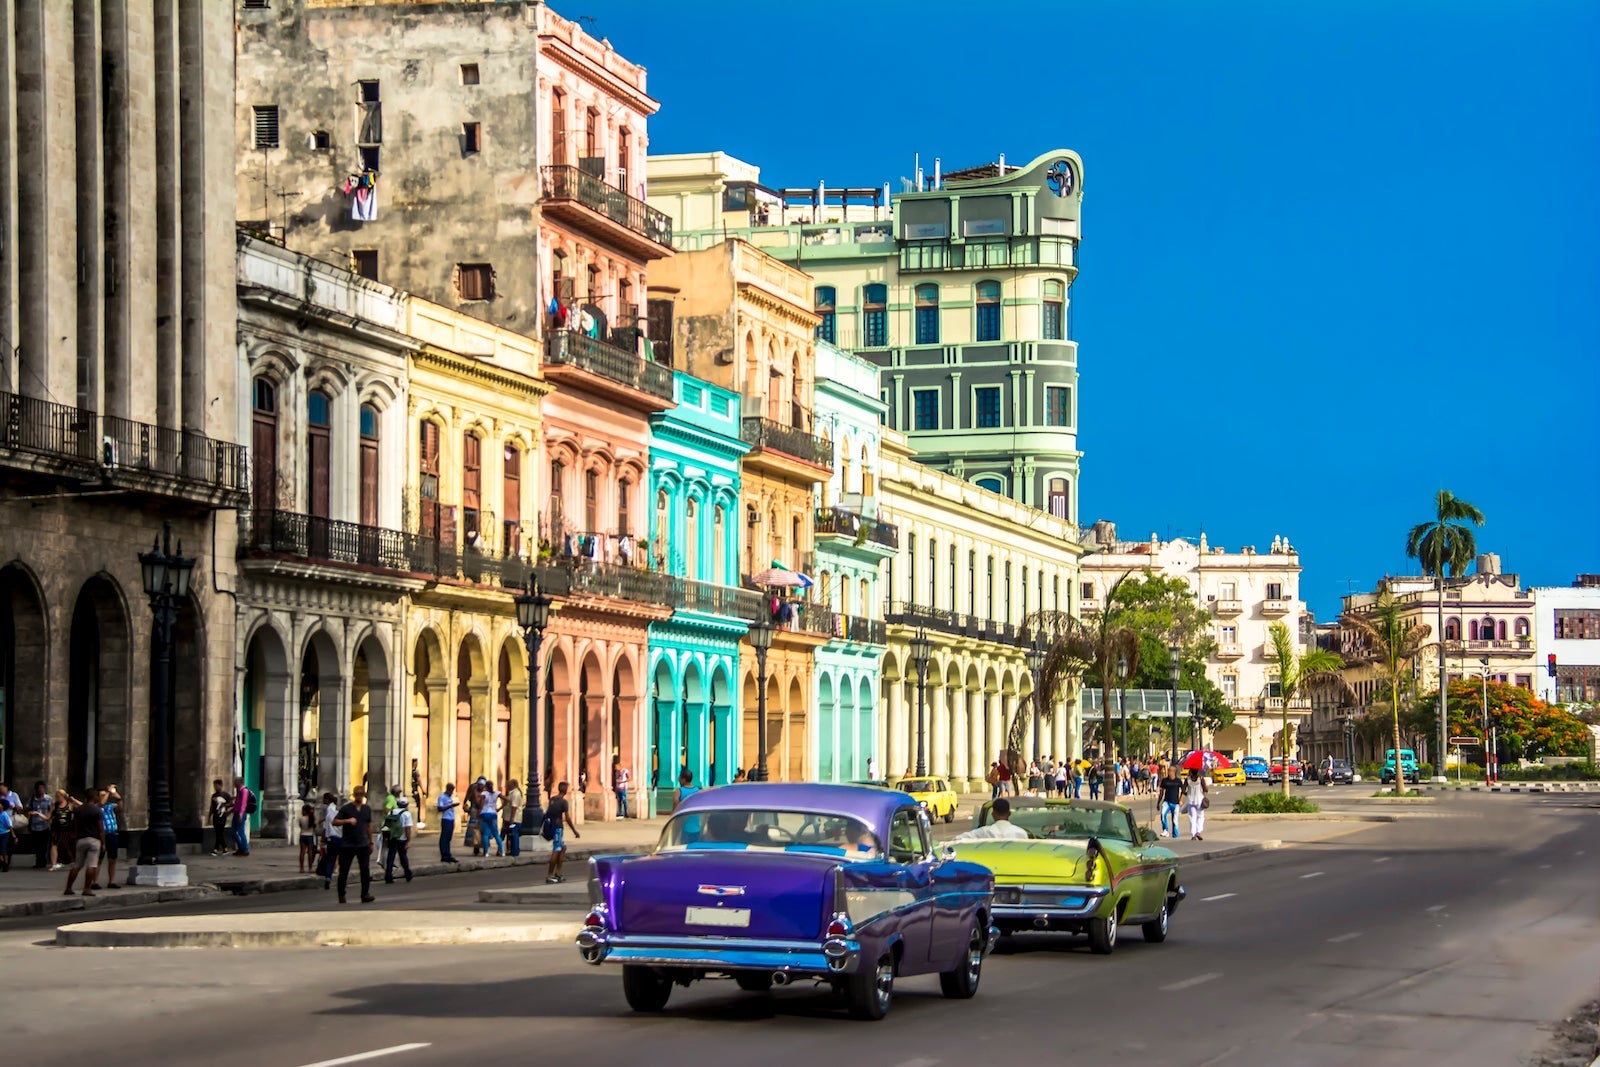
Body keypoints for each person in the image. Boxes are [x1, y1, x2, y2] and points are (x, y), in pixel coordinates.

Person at [332, 786, 375, 904]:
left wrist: (371, 842)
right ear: (354, 795)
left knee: (365, 870)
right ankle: (341, 895)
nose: (359, 796)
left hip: (363, 844)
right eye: (357, 794)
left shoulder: (367, 809)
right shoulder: (346, 809)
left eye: (361, 794)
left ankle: (365, 894)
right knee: (344, 871)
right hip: (347, 845)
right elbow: (334, 822)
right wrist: (347, 821)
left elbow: (368, 826)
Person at [62, 787, 104, 897]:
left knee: (77, 865)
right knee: (92, 865)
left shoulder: (79, 809)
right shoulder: (97, 810)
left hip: (81, 839)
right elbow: (100, 829)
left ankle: (68, 887)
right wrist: (103, 843)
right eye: (97, 796)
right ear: (94, 797)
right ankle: (87, 888)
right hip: (94, 839)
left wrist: (74, 837)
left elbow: (74, 825)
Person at [543, 780, 580, 885]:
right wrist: (574, 831)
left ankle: (558, 872)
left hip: (552, 826)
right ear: (566, 790)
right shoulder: (564, 802)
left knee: (563, 848)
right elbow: (567, 818)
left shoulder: (552, 799)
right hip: (558, 828)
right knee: (556, 849)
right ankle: (550, 875)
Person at [952, 797, 1030, 841]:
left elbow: (957, 839)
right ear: (1009, 814)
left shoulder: (983, 832)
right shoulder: (1021, 833)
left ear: (993, 814)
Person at [383, 796, 413, 884]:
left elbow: (387, 825)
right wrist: (408, 840)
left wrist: (385, 837)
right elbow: (408, 828)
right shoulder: (407, 814)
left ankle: (388, 876)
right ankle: (407, 873)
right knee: (403, 857)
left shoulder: (391, 812)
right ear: (406, 805)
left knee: (390, 857)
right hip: (402, 838)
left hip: (392, 837)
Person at [97, 785, 122, 889]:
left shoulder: (110, 806)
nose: (104, 797)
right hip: (101, 835)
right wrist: (108, 791)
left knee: (112, 859)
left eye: (105, 795)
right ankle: (95, 881)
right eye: (101, 795)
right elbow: (101, 803)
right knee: (99, 859)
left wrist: (117, 797)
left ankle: (111, 881)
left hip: (112, 834)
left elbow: (120, 808)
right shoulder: (97, 806)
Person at [50, 788, 78, 870]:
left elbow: (82, 806)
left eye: (59, 796)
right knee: (54, 845)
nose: (57, 798)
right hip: (57, 828)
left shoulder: (70, 805)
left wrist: (74, 800)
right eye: (56, 797)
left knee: (68, 845)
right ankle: (54, 864)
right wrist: (38, 814)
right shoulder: (55, 806)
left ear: (63, 796)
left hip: (68, 828)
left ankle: (73, 862)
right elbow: (48, 816)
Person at [28, 782, 53, 869]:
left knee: (44, 845)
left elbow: (52, 811)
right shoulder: (32, 799)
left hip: (44, 825)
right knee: (36, 845)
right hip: (34, 825)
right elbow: (28, 808)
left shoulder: (49, 799)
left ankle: (43, 861)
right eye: (39, 788)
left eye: (42, 788)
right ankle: (38, 861)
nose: (41, 790)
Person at [319, 791, 342, 888]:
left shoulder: (328, 815)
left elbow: (325, 828)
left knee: (330, 859)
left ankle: (328, 877)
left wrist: (323, 839)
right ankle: (341, 879)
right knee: (342, 860)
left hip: (331, 838)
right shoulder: (340, 815)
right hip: (340, 839)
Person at [478, 780, 504, 858]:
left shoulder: (483, 794)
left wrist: (479, 813)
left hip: (484, 813)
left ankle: (486, 852)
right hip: (493, 814)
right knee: (496, 834)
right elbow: (506, 799)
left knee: (485, 834)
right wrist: (499, 808)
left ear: (485, 786)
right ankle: (502, 851)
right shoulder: (497, 793)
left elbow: (481, 805)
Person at [1158, 765, 1183, 839]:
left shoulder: (1178, 781)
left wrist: (1181, 800)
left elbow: (1183, 791)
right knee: (1163, 815)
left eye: (1170, 771)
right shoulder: (1164, 781)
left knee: (1175, 820)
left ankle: (1175, 835)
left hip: (1175, 803)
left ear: (1174, 772)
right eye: (1168, 770)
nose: (1169, 772)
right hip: (1167, 801)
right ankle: (1165, 830)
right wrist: (1159, 802)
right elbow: (1161, 792)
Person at [1184, 768, 1209, 841]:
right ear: (1197, 771)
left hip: (1191, 800)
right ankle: (1198, 831)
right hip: (1199, 801)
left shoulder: (1187, 780)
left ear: (1190, 772)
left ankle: (1193, 834)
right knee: (1200, 817)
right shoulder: (1200, 779)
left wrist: (1188, 793)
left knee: (1192, 818)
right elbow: (1206, 790)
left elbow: (1183, 790)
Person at [436, 782, 459, 863]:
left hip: (451, 818)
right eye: (451, 790)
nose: (452, 792)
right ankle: (444, 854)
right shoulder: (442, 797)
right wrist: (451, 806)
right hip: (445, 818)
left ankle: (448, 854)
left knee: (449, 838)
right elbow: (439, 808)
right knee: (444, 837)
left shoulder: (450, 797)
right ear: (448, 789)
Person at [208, 779, 232, 855]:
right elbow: (212, 807)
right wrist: (209, 816)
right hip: (216, 816)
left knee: (220, 832)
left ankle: (217, 849)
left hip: (222, 816)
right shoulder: (214, 796)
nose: (215, 787)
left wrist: (225, 806)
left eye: (216, 786)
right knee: (217, 832)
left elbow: (231, 804)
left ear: (220, 785)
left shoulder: (226, 795)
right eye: (214, 786)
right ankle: (222, 848)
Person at [231, 776, 252, 856]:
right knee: (232, 832)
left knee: (241, 832)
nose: (234, 784)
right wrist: (230, 811)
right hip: (236, 813)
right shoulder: (239, 791)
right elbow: (237, 804)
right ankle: (241, 848)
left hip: (240, 814)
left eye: (235, 782)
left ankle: (245, 849)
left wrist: (241, 813)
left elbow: (243, 803)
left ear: (239, 782)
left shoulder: (244, 791)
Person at [504, 779, 523, 857]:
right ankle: (512, 850)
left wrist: (512, 818)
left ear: (513, 785)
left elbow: (514, 807)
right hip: (510, 818)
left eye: (508, 784)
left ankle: (515, 851)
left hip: (514, 819)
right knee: (511, 835)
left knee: (514, 834)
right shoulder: (512, 793)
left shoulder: (515, 794)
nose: (507, 786)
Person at [297, 803, 317, 873]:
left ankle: (301, 868)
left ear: (305, 811)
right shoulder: (312, 819)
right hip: (310, 836)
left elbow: (300, 826)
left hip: (302, 835)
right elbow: (314, 828)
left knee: (302, 852)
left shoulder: (301, 818)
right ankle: (310, 868)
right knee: (310, 852)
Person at [410, 758, 427, 830]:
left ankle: (417, 820)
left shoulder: (410, 772)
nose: (417, 765)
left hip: (412, 791)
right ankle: (418, 820)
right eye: (416, 763)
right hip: (415, 791)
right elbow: (419, 781)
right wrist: (423, 791)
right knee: (418, 805)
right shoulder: (415, 772)